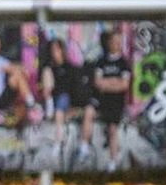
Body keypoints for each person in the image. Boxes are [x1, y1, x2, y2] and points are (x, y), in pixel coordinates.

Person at [78, 29, 131, 172]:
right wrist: (114, 81)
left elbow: (124, 85)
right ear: (109, 43)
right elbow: (97, 82)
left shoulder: (124, 63)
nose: (116, 44)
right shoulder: (101, 61)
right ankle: (83, 147)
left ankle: (113, 161)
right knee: (88, 111)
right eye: (114, 41)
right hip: (101, 100)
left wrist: (108, 84)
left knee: (112, 129)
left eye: (119, 42)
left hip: (115, 102)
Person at [0, 29, 40, 117]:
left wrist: (24, 69)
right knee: (16, 76)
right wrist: (22, 70)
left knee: (18, 75)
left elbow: (13, 65)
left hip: (3, 96)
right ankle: (31, 104)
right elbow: (10, 68)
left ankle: (28, 102)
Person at [40, 38, 81, 158]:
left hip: (65, 100)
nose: (55, 52)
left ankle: (58, 143)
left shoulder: (69, 67)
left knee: (60, 108)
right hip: (52, 98)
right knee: (47, 72)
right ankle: (49, 106)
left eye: (57, 49)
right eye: (53, 50)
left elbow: (73, 89)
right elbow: (46, 87)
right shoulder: (49, 67)